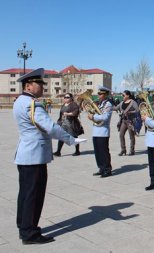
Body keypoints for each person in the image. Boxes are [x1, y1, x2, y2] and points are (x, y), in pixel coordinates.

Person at [13, 68, 85, 244]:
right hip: (35, 156)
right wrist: (71, 140)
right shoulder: (33, 104)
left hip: (24, 154)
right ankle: (30, 233)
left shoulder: (19, 101)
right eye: (39, 84)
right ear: (29, 86)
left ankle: (23, 225)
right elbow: (51, 128)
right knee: (34, 194)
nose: (42, 87)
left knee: (25, 193)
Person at [88, 86, 113, 178]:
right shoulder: (99, 104)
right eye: (98, 94)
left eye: (101, 94)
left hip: (103, 131)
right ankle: (101, 168)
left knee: (104, 152)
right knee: (97, 152)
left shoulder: (108, 105)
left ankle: (107, 169)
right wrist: (91, 114)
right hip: (96, 130)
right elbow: (94, 113)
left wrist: (93, 117)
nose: (99, 95)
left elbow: (105, 117)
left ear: (106, 94)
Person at [114, 90, 139, 156]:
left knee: (131, 136)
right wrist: (110, 107)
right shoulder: (122, 102)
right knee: (121, 135)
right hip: (123, 121)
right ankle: (123, 150)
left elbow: (137, 111)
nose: (122, 96)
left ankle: (132, 150)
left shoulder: (133, 102)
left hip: (130, 121)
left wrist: (131, 112)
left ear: (128, 95)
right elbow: (116, 108)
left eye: (123, 95)